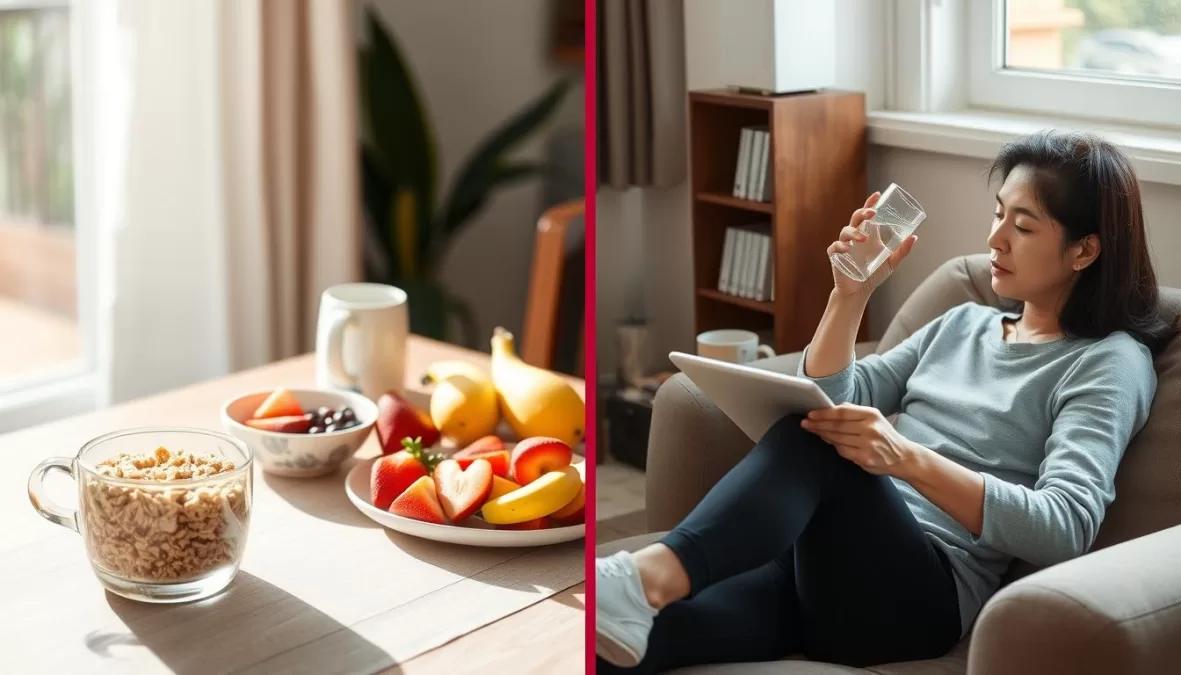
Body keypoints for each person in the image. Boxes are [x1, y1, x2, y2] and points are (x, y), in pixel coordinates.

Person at [594, 130, 1173, 673]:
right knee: (622, 643)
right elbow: (831, 397)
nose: (995, 238)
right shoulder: (963, 323)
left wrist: (900, 457)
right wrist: (850, 293)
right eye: (998, 213)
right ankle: (638, 593)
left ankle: (650, 574)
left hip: (917, 598)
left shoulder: (1107, 362)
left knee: (817, 437)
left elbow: (1064, 526)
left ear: (1084, 250)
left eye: (1022, 226)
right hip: (818, 566)